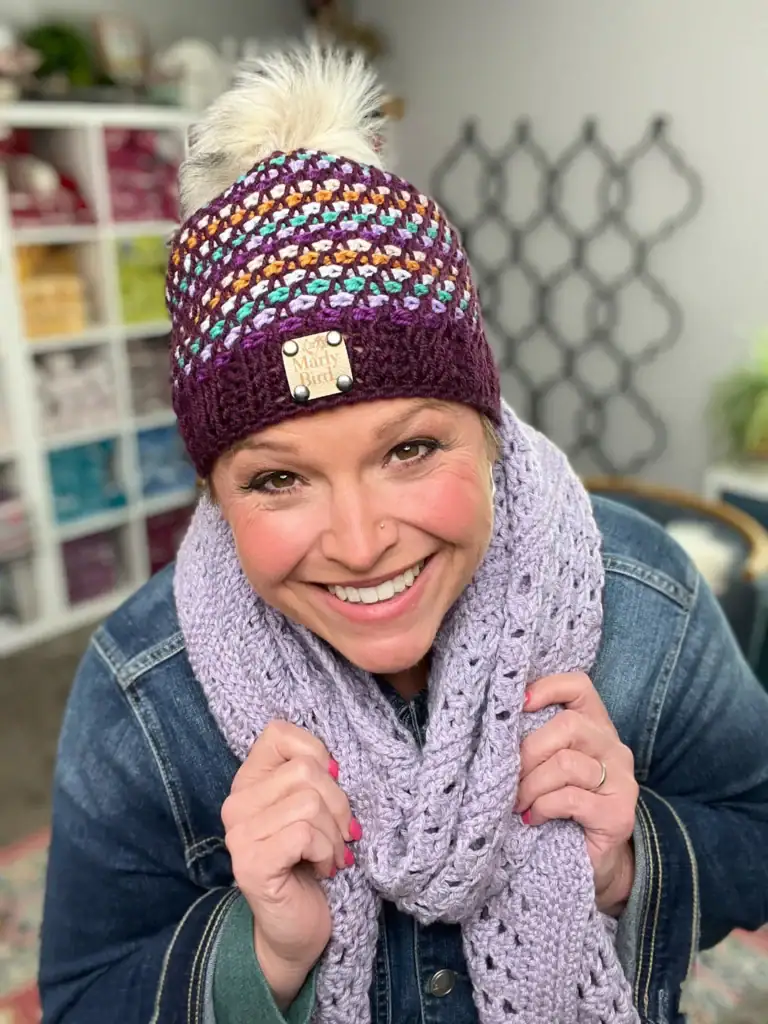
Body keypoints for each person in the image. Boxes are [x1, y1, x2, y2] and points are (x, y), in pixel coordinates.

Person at [38, 46, 768, 1024]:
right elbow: (81, 996)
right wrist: (260, 953)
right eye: (279, 477)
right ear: (212, 489)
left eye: (412, 448)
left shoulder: (645, 597)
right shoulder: (145, 684)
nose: (361, 540)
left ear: (490, 430)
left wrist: (634, 855)